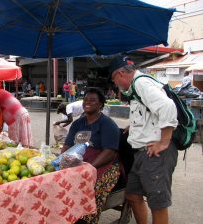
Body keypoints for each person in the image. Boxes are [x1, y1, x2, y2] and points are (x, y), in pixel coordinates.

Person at [109, 55, 178, 224]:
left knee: (157, 203)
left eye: (114, 80)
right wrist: (133, 127)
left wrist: (164, 141)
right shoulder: (136, 86)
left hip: (155, 154)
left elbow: (167, 107)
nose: (115, 84)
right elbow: (148, 113)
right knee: (132, 195)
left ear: (120, 74)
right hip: (141, 153)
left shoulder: (141, 83)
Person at [61, 88, 120, 224]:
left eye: (92, 100)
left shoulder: (107, 124)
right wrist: (62, 161)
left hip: (105, 165)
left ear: (100, 104)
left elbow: (109, 152)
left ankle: (86, 220)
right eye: (86, 100)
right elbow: (67, 146)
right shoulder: (77, 123)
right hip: (79, 161)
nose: (88, 102)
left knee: (91, 187)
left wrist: (90, 167)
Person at [0, 81, 33, 146]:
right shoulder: (3, 92)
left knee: (14, 142)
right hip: (24, 112)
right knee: (24, 137)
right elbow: (2, 111)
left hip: (16, 116)